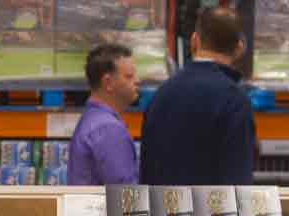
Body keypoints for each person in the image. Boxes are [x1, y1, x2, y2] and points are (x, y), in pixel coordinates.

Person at [138, 6, 254, 186]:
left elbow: (147, 173)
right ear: (239, 48)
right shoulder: (235, 101)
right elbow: (238, 183)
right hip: (211, 213)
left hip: (163, 212)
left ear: (194, 41)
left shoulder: (162, 94)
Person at [67, 43, 140, 186]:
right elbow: (126, 199)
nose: (137, 81)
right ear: (108, 82)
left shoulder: (93, 120)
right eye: (129, 76)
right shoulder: (108, 129)